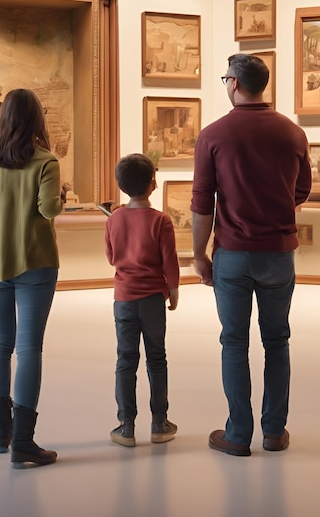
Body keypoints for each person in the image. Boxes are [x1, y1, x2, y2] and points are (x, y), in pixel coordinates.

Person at [191, 53, 311, 456]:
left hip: (233, 254)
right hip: (278, 254)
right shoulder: (292, 133)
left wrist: (198, 254)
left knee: (234, 343)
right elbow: (301, 190)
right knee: (277, 341)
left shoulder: (213, 135)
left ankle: (238, 434)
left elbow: (202, 203)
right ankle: (275, 431)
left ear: (236, 84)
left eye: (226, 78)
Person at [0, 88, 66, 467]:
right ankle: (24, 441)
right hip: (36, 265)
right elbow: (48, 208)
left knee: (0, 345)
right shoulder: (45, 161)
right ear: (37, 119)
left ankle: (2, 434)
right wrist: (62, 195)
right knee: (29, 349)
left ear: (1, 119)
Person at [104, 153, 180, 447]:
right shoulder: (161, 221)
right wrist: (172, 291)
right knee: (156, 358)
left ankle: (126, 426)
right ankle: (160, 422)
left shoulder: (114, 219)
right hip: (152, 300)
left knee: (125, 360)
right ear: (153, 184)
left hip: (123, 299)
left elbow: (112, 258)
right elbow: (169, 262)